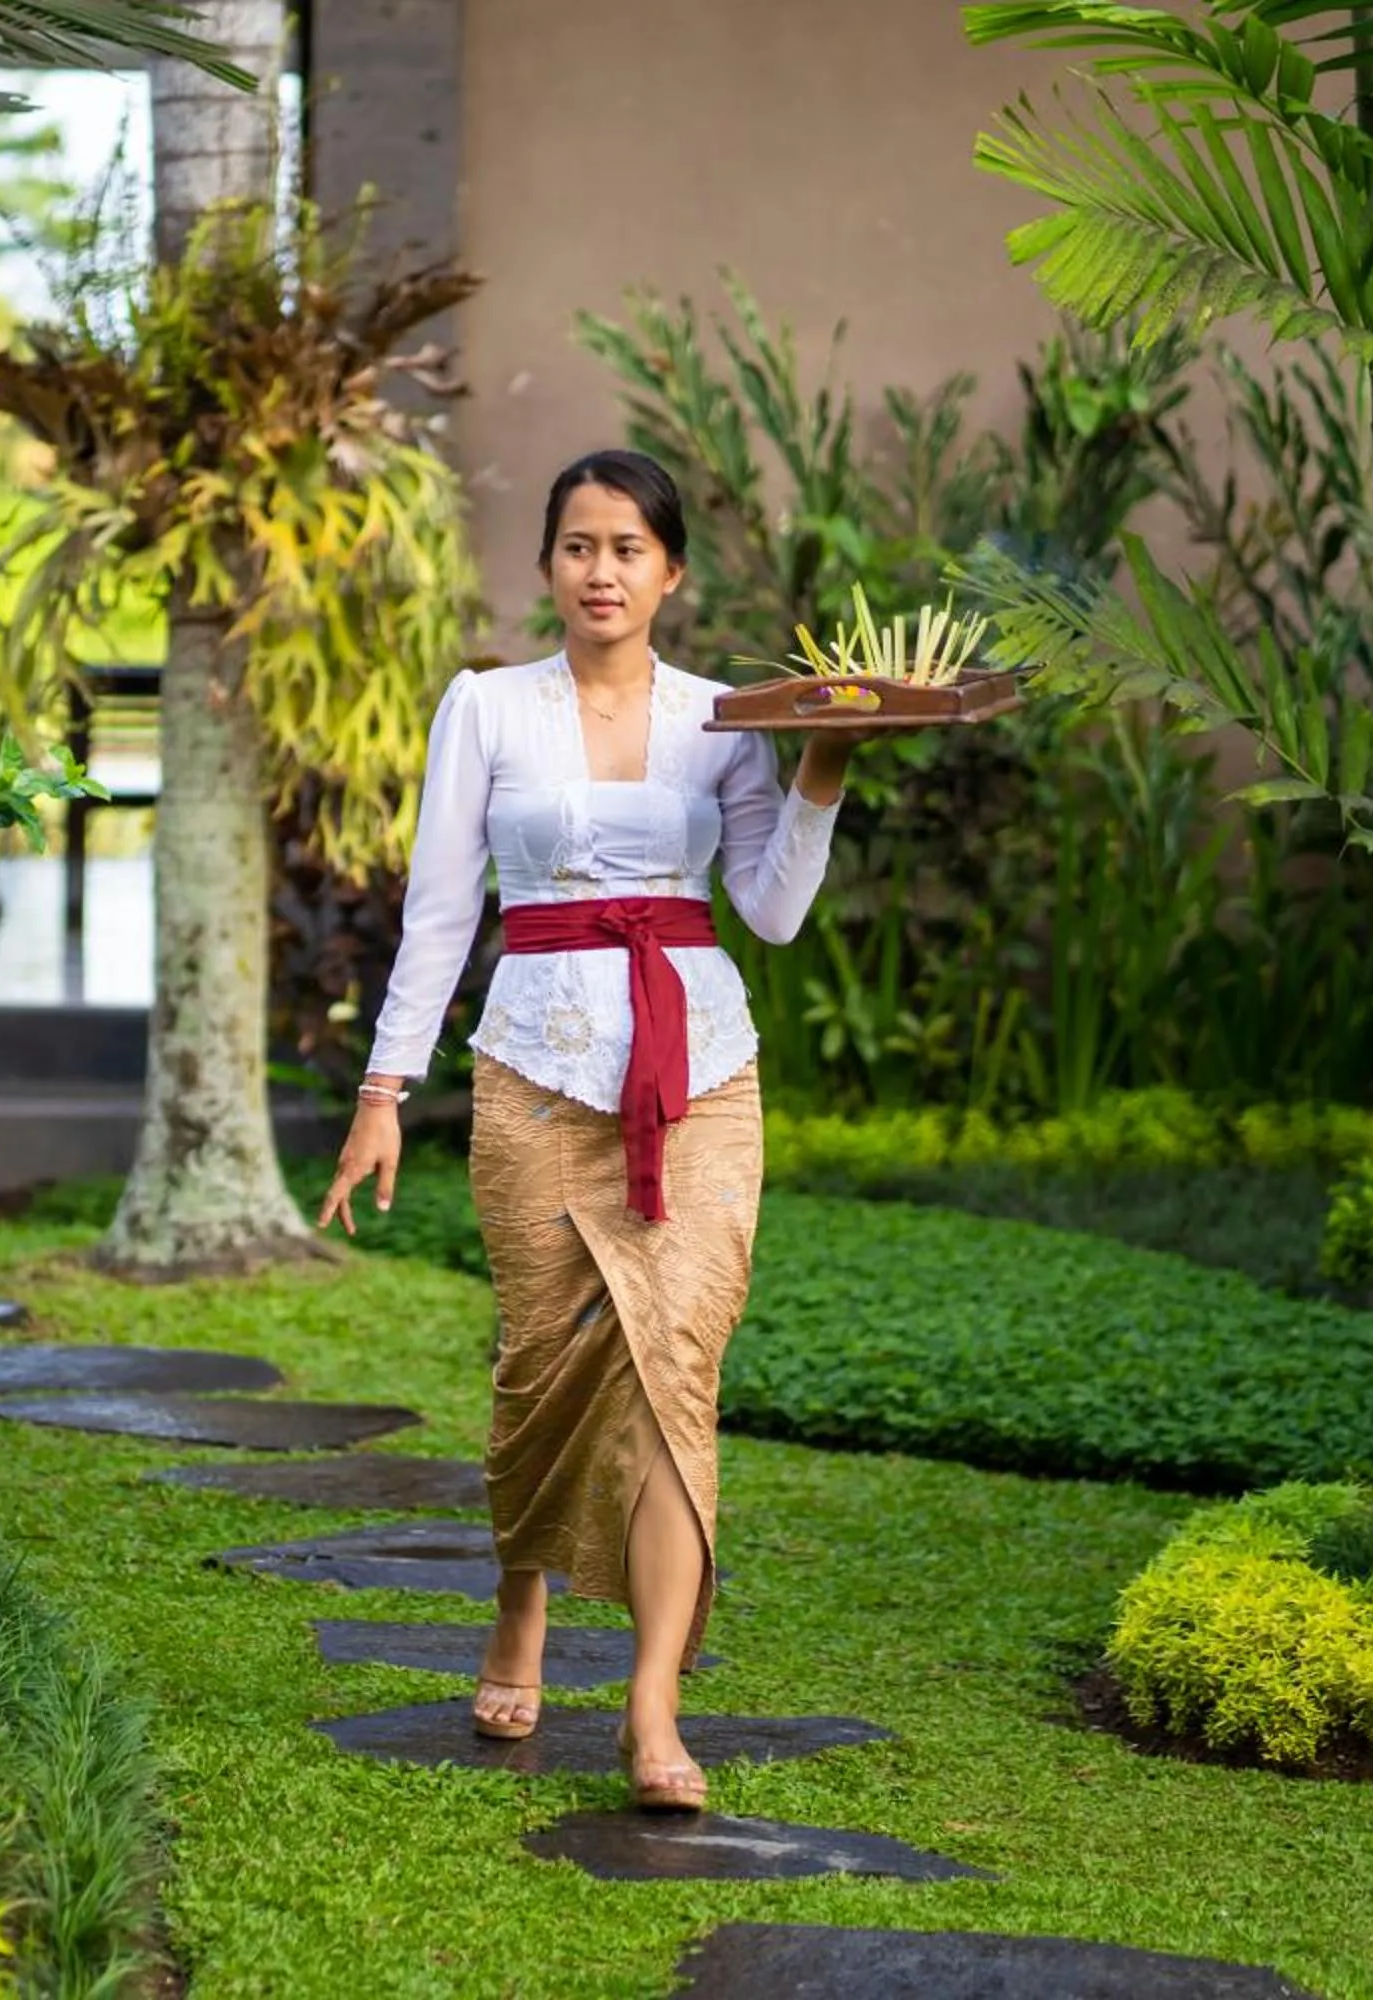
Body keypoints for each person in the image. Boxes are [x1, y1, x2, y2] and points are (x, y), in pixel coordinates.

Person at [316, 448, 855, 1814]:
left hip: (702, 1078)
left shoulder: (725, 718)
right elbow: (442, 913)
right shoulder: (487, 708)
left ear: (671, 572)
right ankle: (520, 1596)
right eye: (578, 545)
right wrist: (382, 1097)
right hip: (534, 1079)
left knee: (678, 1371)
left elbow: (772, 912)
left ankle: (655, 1702)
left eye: (628, 547)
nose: (602, 569)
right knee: (539, 1365)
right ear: (548, 565)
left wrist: (822, 776)